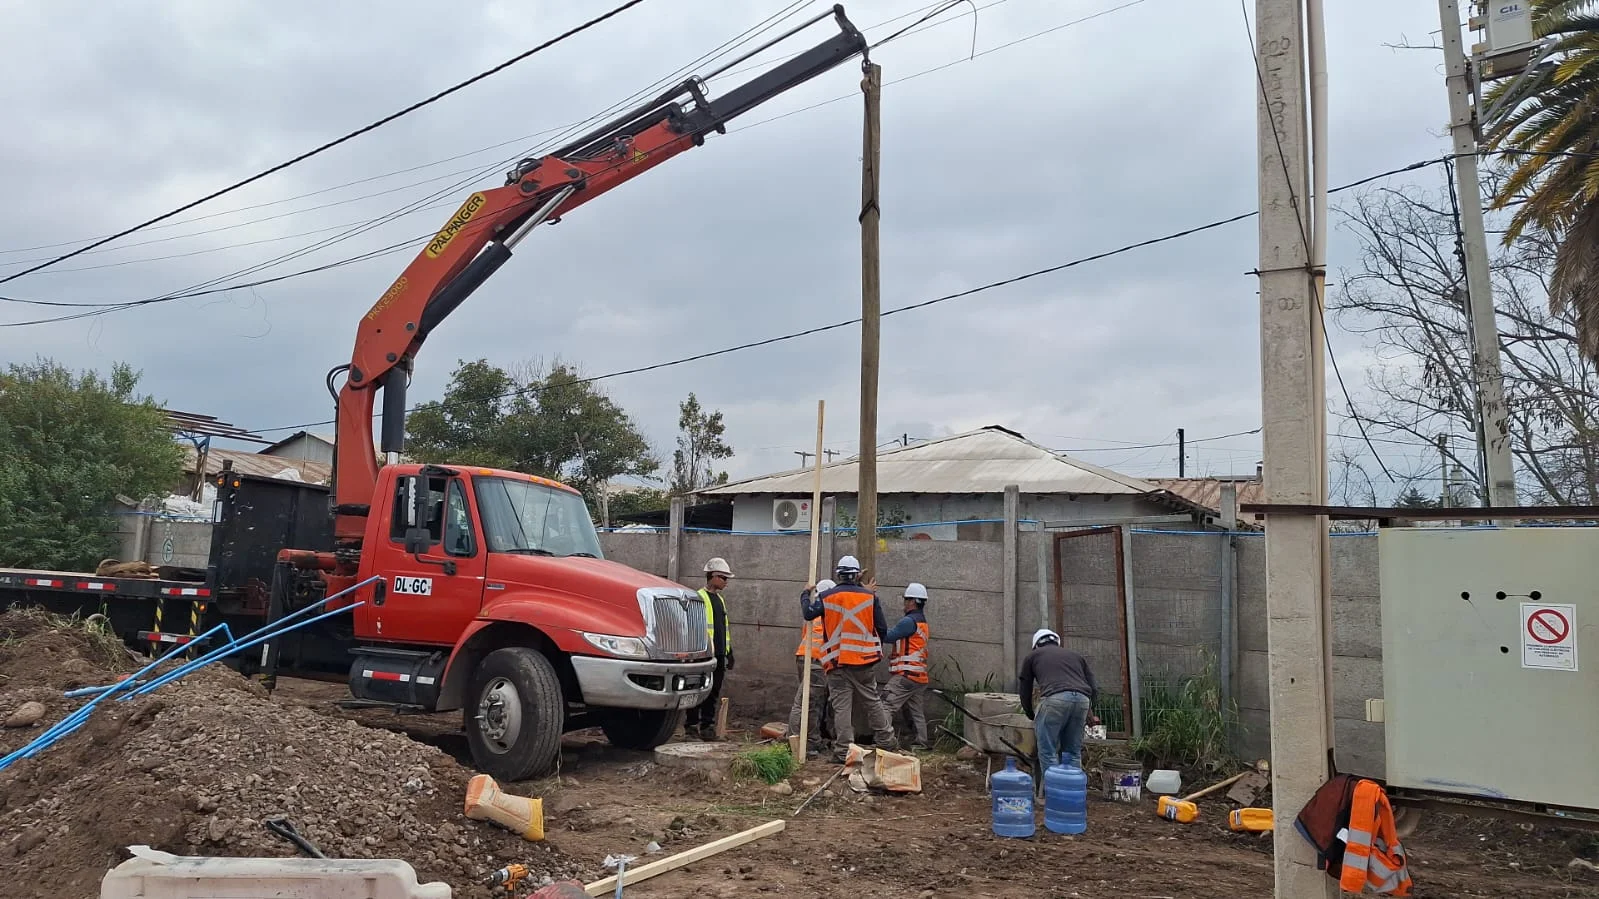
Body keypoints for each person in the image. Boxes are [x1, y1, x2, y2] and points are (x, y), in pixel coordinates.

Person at [802, 554, 896, 761]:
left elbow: (808, 613)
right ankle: (887, 741)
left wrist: (805, 593)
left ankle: (843, 750)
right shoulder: (869, 597)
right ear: (855, 575)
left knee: (841, 706)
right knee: (872, 701)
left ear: (838, 575)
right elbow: (881, 628)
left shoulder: (828, 597)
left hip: (836, 662)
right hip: (863, 662)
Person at [1018, 628, 1099, 770]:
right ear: (1057, 642)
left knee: (1048, 751)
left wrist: (1030, 713)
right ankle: (1072, 790)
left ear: (1036, 645)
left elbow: (1025, 688)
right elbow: (1093, 687)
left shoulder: (1033, 656)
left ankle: (1053, 790)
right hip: (1082, 701)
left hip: (1055, 699)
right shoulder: (1075, 656)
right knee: (1072, 752)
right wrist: (1090, 710)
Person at [686, 557, 735, 740]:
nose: (726, 582)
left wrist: (729, 652)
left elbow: (724, 629)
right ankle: (691, 726)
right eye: (723, 578)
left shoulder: (720, 600)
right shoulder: (699, 597)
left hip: (719, 654)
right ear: (713, 576)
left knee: (713, 693)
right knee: (698, 690)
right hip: (703, 655)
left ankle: (707, 726)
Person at [787, 578, 834, 754]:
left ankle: (802, 739)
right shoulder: (828, 612)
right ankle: (806, 743)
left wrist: (805, 593)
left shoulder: (814, 612)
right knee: (809, 703)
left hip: (804, 657)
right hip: (815, 661)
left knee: (806, 701)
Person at [882, 582, 931, 748]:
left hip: (906, 675)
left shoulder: (908, 622)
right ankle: (922, 743)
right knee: (916, 711)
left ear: (912, 602)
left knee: (885, 705)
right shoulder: (922, 623)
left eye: (905, 600)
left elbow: (888, 636)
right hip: (918, 677)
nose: (904, 604)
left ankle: (884, 741)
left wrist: (874, 625)